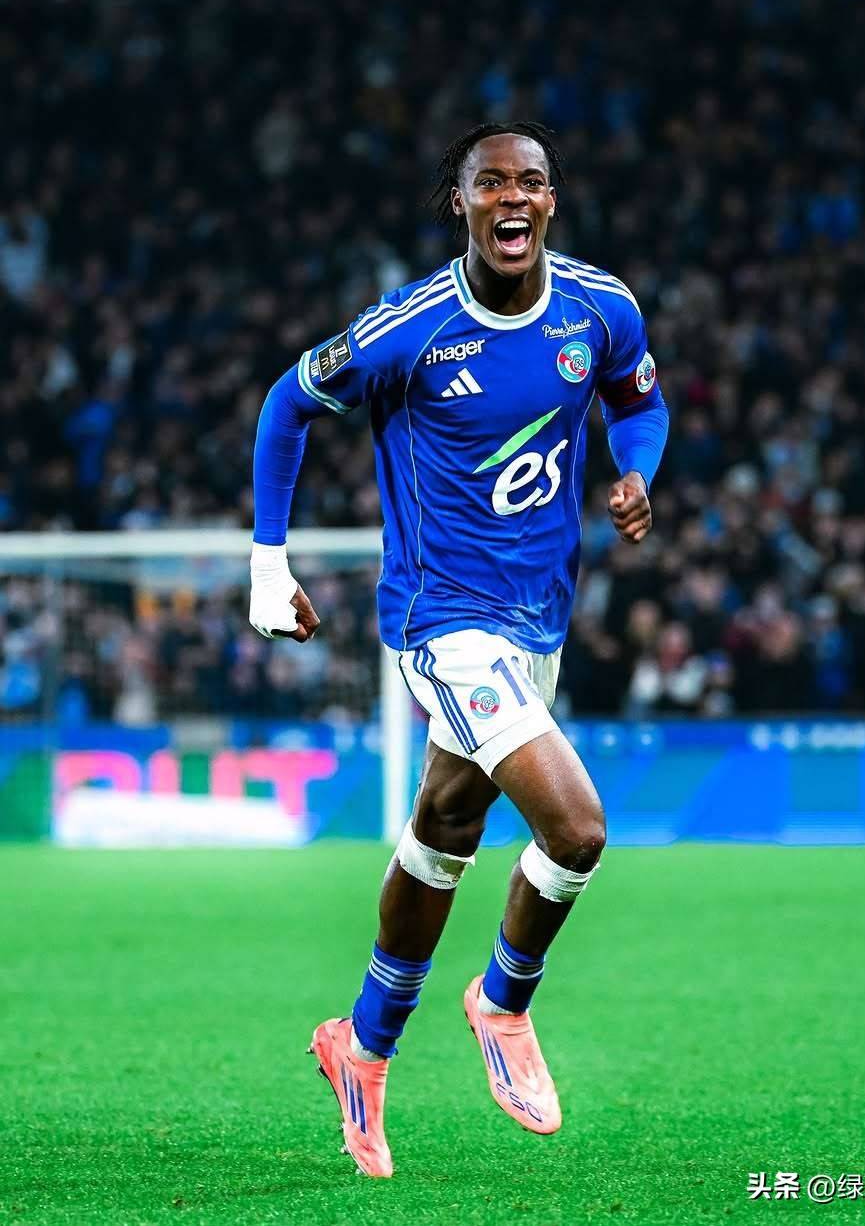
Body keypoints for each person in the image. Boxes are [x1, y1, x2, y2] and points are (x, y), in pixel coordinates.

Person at [248, 121, 668, 1176]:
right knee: (576, 829)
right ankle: (504, 1001)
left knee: (443, 827)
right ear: (462, 203)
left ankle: (362, 1044)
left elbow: (641, 403)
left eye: (531, 182)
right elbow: (287, 404)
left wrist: (634, 471)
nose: (512, 198)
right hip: (443, 620)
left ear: (552, 201)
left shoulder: (601, 308)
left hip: (539, 619)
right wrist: (267, 564)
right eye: (491, 184)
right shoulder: (411, 329)